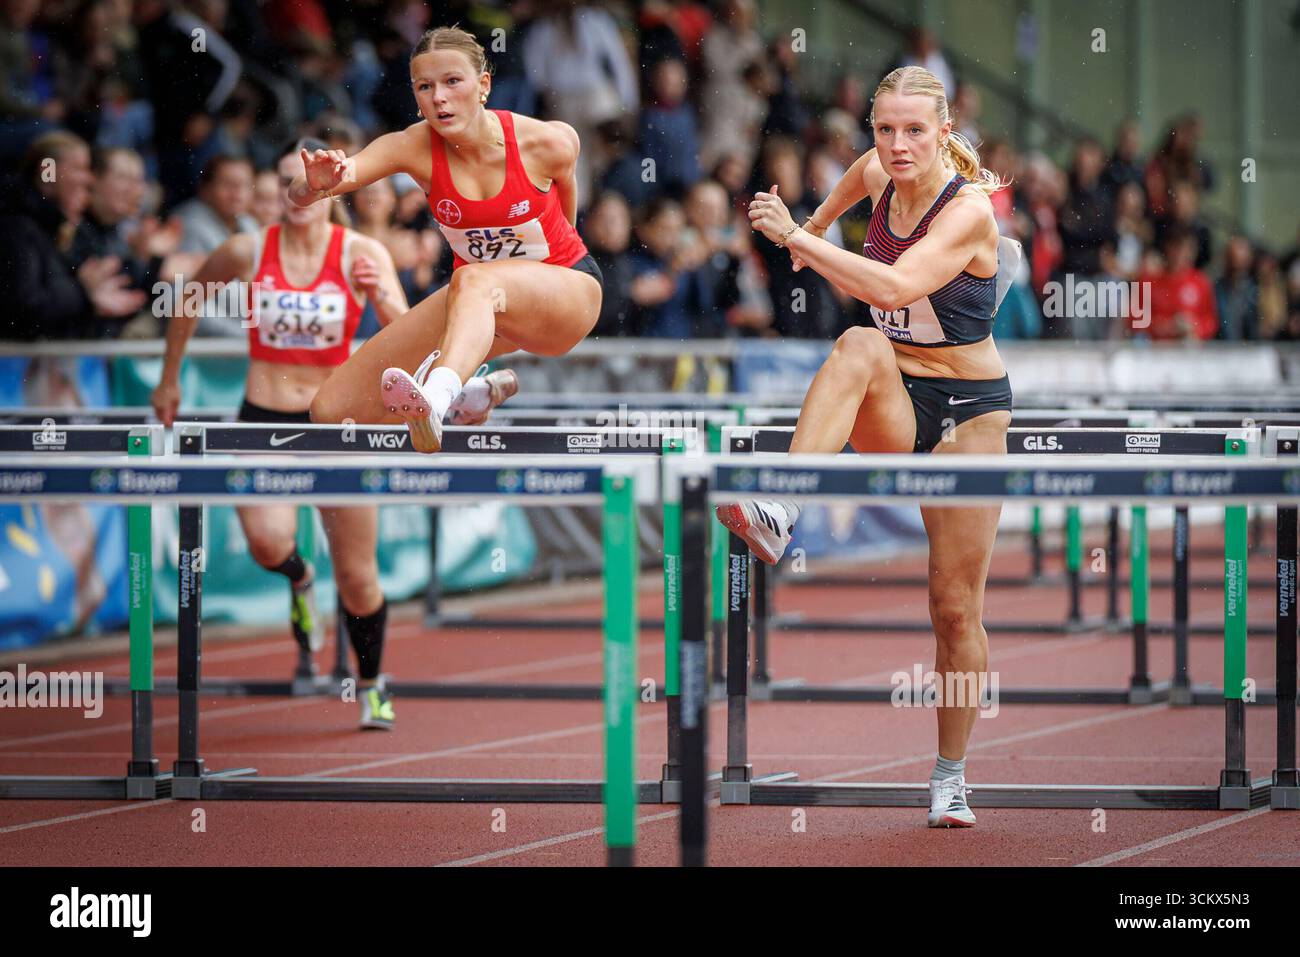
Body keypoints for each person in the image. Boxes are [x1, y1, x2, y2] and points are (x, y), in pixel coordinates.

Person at [720, 66, 1018, 829]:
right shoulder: (880, 171)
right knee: (856, 344)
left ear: (944, 133)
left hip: (967, 411)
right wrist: (818, 226)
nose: (896, 145)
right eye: (885, 129)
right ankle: (781, 509)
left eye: (915, 130)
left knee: (954, 607)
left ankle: (950, 776)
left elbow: (892, 288)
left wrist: (798, 239)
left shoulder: (967, 211)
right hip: (896, 393)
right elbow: (855, 180)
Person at [150, 139, 409, 730]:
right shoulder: (248, 250)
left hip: (337, 425)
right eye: (288, 180)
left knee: (358, 576)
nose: (299, 191)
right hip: (263, 420)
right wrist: (168, 380)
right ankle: (300, 577)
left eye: (311, 179)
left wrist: (379, 295)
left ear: (333, 189)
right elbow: (188, 298)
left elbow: (408, 331)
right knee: (269, 545)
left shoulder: (361, 251)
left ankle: (372, 685)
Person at [296, 26, 604, 452]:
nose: (439, 97)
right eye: (425, 87)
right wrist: (312, 186)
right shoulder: (412, 146)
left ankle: (438, 400)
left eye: (452, 81)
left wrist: (533, 282)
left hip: (566, 294)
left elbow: (569, 225)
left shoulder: (547, 141)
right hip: (479, 302)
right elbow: (327, 182)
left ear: (484, 85)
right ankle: (466, 396)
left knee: (475, 278)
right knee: (332, 410)